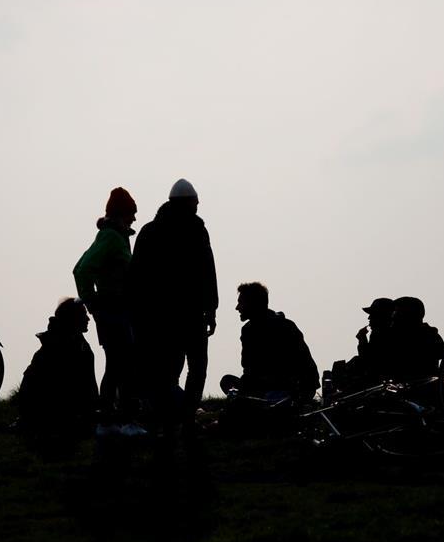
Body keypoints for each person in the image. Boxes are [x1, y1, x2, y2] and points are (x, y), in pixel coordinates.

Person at [128, 178, 218, 434]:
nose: (199, 205)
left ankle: (168, 417)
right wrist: (211, 308)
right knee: (197, 366)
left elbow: (136, 278)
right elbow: (207, 271)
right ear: (189, 202)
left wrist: (139, 315)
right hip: (190, 313)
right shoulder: (197, 229)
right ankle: (187, 415)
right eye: (196, 201)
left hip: (160, 317)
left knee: (169, 370)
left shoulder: (149, 231)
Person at [73, 186, 142, 434]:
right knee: (122, 366)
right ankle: (124, 421)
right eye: (132, 213)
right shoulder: (111, 238)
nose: (134, 218)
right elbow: (81, 270)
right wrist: (92, 303)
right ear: (122, 214)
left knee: (115, 366)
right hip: (113, 310)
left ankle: (109, 421)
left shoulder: (114, 236)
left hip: (117, 310)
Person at [15, 298, 98, 450]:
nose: (88, 319)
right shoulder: (67, 347)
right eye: (83, 315)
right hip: (48, 414)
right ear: (73, 319)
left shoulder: (69, 342)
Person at [219, 282, 319, 405]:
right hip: (267, 386)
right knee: (228, 381)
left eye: (241, 303)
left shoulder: (284, 327)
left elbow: (304, 369)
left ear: (252, 304)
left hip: (291, 388)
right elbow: (248, 368)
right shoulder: (248, 330)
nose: (237, 307)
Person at [388, 296, 444, 383]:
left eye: (397, 313)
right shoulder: (400, 335)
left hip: (422, 387)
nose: (393, 317)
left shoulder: (427, 335)